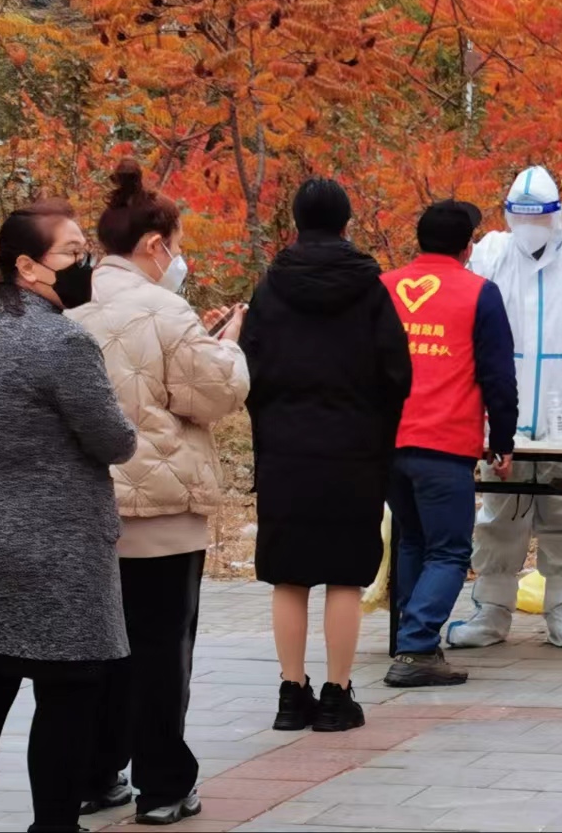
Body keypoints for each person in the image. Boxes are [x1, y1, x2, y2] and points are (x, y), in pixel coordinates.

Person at [0, 201, 138, 833]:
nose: (85, 263)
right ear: (27, 265)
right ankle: (54, 825)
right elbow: (113, 441)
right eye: (73, 252)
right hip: (60, 546)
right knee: (69, 694)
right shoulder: (63, 340)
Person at [69, 160, 251, 826]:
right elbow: (212, 393)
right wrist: (227, 345)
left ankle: (95, 773)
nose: (178, 257)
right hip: (161, 511)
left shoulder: (70, 306)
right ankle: (165, 784)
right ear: (154, 245)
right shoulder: (166, 309)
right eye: (175, 244)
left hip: (87, 508)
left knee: (97, 648)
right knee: (159, 650)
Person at [239, 178, 412, 732]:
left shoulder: (270, 290)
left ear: (294, 222)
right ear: (346, 223)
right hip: (354, 452)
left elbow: (250, 371)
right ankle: (337, 696)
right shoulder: (371, 290)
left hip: (286, 451)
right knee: (345, 575)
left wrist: (272, 421)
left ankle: (292, 693)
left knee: (288, 576)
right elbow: (397, 373)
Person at [447, 166, 562, 651]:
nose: (528, 228)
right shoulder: (490, 254)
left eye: (538, 218)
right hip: (502, 410)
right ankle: (490, 613)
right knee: (499, 518)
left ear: (557, 215)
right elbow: (463, 316)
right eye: (519, 217)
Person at [380, 200, 518, 688]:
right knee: (450, 551)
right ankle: (417, 648)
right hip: (444, 443)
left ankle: (410, 640)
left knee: (414, 540)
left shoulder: (384, 287)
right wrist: (503, 441)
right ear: (467, 246)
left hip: (387, 443)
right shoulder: (480, 293)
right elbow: (499, 376)